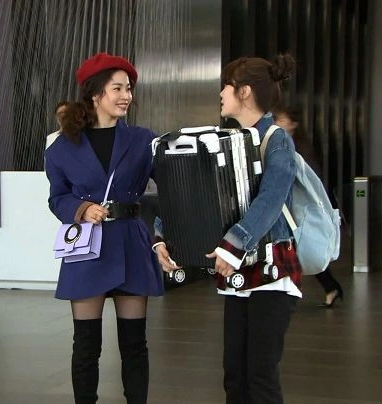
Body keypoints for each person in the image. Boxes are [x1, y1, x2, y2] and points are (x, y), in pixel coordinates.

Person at [155, 54, 301, 403]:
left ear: (244, 91)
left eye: (226, 85)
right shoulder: (226, 139)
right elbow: (194, 197)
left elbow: (271, 199)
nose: (221, 93)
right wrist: (164, 238)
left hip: (272, 270)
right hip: (237, 274)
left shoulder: (277, 139)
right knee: (235, 376)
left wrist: (233, 245)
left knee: (261, 376)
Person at [44, 52, 166, 404]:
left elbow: (171, 188)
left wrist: (164, 236)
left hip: (131, 244)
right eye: (117, 88)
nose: (126, 96)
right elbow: (57, 198)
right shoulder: (62, 147)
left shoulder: (144, 140)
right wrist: (81, 209)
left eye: (128, 88)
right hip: (87, 248)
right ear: (96, 93)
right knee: (86, 345)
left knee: (134, 344)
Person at [273, 104, 344, 308]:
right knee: (301, 247)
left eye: (282, 120)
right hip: (297, 208)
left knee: (302, 247)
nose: (278, 123)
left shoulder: (296, 149)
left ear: (293, 124)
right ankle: (329, 287)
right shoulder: (290, 145)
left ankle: (295, 290)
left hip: (301, 208)